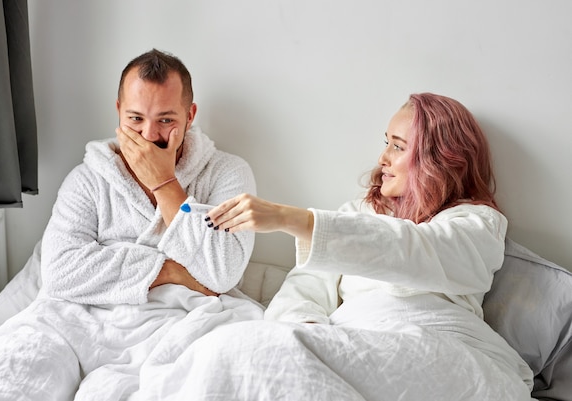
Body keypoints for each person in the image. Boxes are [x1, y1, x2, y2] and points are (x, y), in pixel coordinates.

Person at [0, 48, 263, 401]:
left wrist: (165, 185)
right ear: (118, 112)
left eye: (166, 120)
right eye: (136, 119)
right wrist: (171, 269)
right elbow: (60, 273)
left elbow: (221, 273)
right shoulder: (88, 179)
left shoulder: (227, 174)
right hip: (72, 318)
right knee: (2, 376)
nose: (148, 135)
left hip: (173, 322)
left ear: (190, 116)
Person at [186, 93, 535, 400]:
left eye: (398, 146)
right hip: (356, 345)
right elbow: (302, 291)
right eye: (386, 142)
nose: (383, 157)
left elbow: (418, 250)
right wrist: (306, 339)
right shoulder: (355, 214)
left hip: (441, 350)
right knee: (229, 350)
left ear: (440, 158)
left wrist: (291, 219)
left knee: (230, 349)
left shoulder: (477, 222)